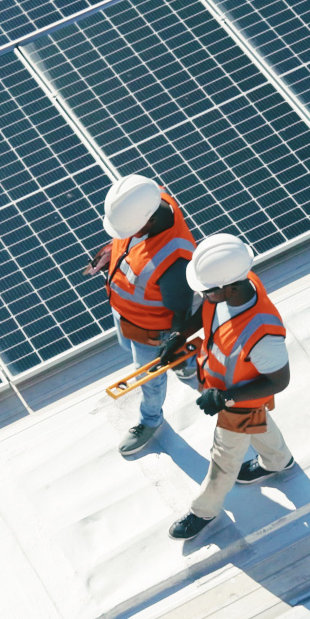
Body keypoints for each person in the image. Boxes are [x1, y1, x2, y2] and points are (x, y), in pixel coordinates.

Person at [164, 234, 295, 540]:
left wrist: (226, 398)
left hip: (237, 400)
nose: (203, 295)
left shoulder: (263, 334)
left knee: (224, 458)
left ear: (230, 287)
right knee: (259, 424)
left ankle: (203, 511)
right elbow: (208, 311)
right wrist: (179, 335)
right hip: (223, 387)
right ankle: (279, 461)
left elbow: (279, 381)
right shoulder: (233, 284)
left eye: (207, 291)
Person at [85, 174, 196, 455]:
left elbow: (181, 313)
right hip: (125, 315)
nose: (125, 235)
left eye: (128, 230)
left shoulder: (175, 262)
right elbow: (130, 244)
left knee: (147, 379)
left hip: (152, 334)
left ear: (149, 220)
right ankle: (187, 362)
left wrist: (173, 341)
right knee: (128, 346)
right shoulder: (144, 198)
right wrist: (111, 251)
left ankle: (151, 420)